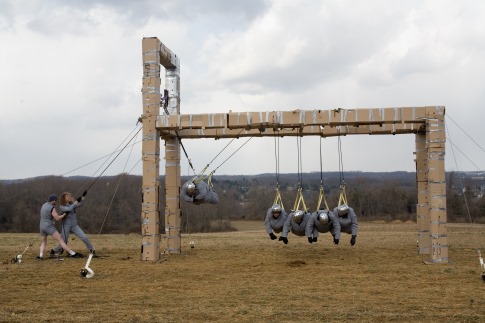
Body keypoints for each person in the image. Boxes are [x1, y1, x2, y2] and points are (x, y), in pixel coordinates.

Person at [37, 194, 83, 260]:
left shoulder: (44, 205)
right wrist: (64, 214)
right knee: (61, 240)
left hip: (41, 226)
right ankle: (72, 253)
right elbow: (58, 218)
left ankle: (41, 256)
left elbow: (46, 215)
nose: (56, 202)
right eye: (55, 200)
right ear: (53, 200)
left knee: (44, 242)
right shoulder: (52, 208)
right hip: (49, 227)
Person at [50, 190, 95, 257]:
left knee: (84, 237)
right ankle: (54, 250)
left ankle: (92, 249)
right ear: (63, 198)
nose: (68, 197)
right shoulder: (62, 206)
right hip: (66, 226)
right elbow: (69, 209)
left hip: (74, 226)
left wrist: (82, 198)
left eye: (69, 196)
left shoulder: (72, 204)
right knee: (64, 242)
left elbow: (81, 204)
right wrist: (76, 202)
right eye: (66, 196)